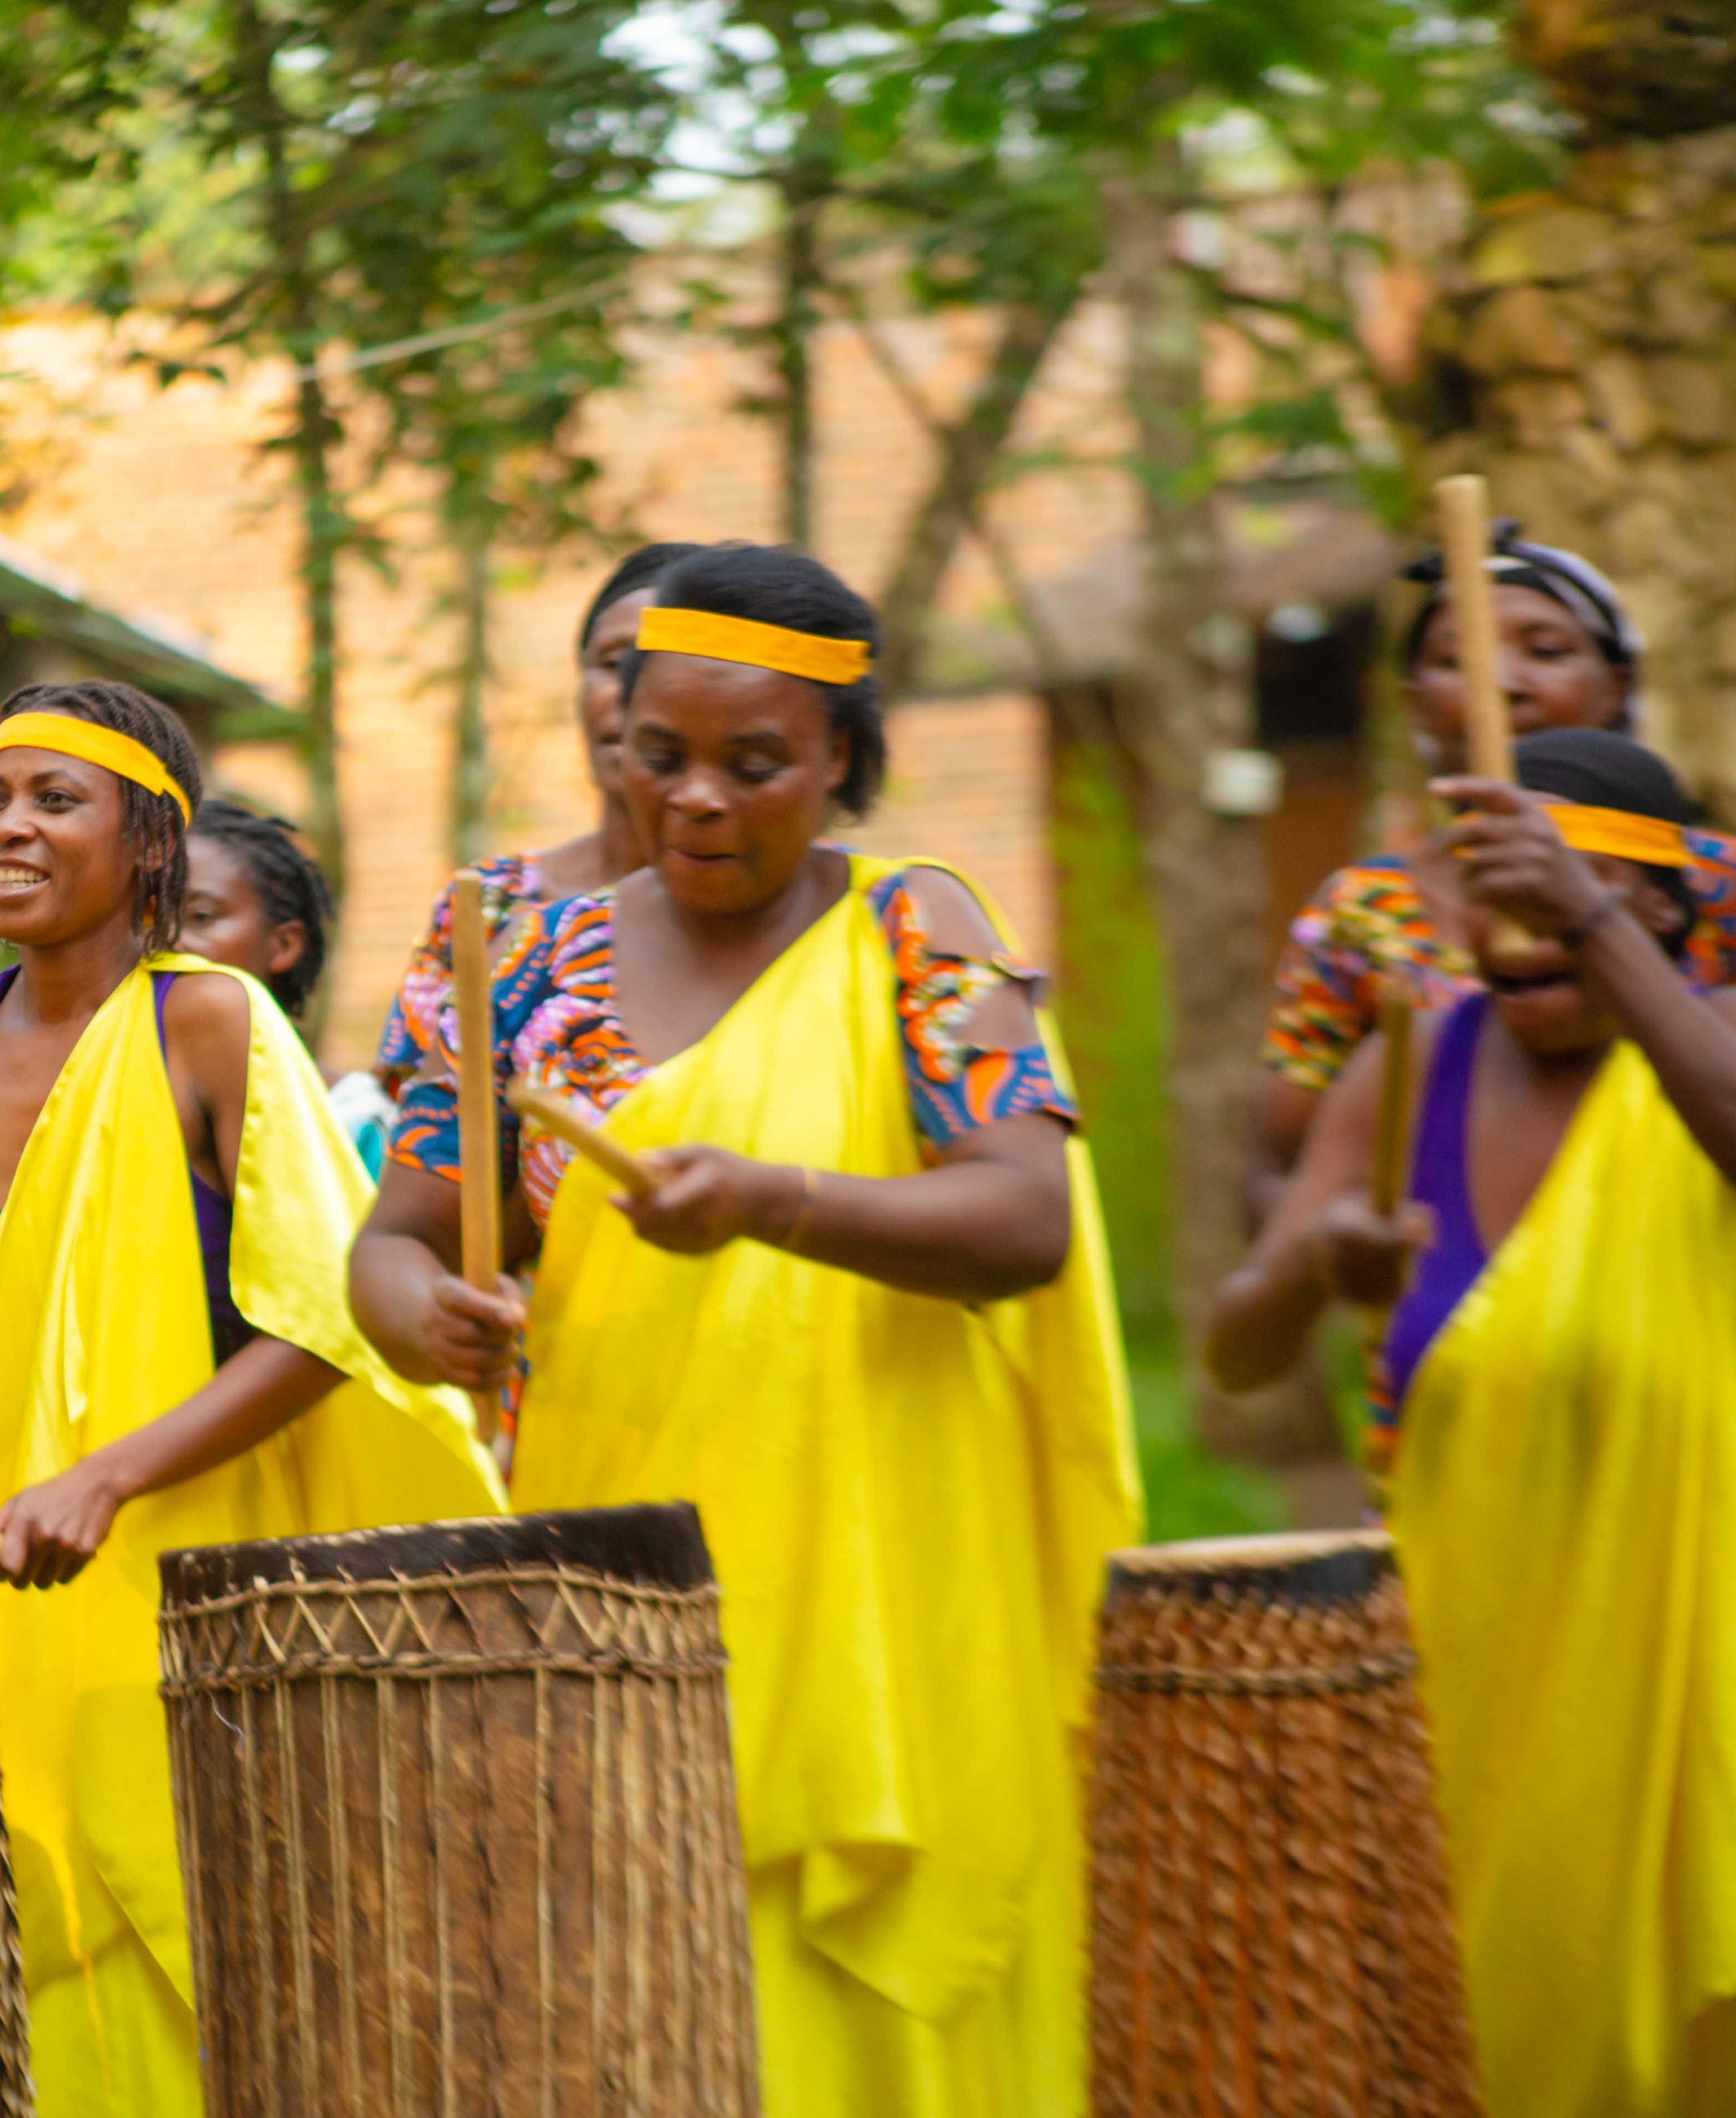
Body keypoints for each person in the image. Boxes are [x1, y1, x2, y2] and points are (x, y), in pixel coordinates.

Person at [348, 543, 1140, 2117]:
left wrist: (772, 1202)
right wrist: (427, 1320)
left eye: (754, 764)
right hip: (618, 1589)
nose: (698, 798)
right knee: (661, 2007)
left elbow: (1023, 1222)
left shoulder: (927, 933)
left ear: (843, 757)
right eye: (662, 757)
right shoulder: (515, 959)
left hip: (883, 1593)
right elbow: (395, 1243)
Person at [0, 680, 501, 2115]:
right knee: (40, 1975)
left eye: (58, 801)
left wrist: (108, 1476)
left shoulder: (212, 1024)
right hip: (2, 1564)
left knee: (222, 1967)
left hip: (193, 1577)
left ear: (153, 846)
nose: (11, 829)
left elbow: (318, 1331)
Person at [1206, 729, 1736, 2112]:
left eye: (1555, 906)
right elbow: (1233, 1347)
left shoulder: (1707, 1054)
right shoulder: (1408, 1067)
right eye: (1491, 905)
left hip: (1689, 1680)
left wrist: (1585, 910)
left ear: (1668, 911)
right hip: (1467, 1694)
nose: (1515, 942)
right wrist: (1321, 1263)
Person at [1252, 524, 1736, 1217]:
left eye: (1546, 651)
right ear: (1417, 704)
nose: (1502, 684)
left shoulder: (1713, 876)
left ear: (1615, 687)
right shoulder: (1364, 908)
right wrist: (1347, 1253)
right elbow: (1277, 1174)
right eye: (1459, 661)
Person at [370, 541, 700, 1097]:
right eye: (615, 664)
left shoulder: (825, 916)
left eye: (669, 666)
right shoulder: (490, 904)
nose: (635, 696)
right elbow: (403, 1118)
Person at [180, 798, 382, 1162]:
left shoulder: (355, 1121)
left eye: (200, 916)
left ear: (284, 945)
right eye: (144, 917)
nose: (162, 941)